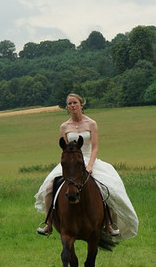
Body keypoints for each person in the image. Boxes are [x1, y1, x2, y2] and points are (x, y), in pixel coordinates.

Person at [35, 93, 138, 241]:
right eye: (69, 103)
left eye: (75, 103)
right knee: (49, 188)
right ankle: (48, 223)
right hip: (72, 164)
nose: (72, 106)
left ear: (81, 104)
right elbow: (65, 150)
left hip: (90, 160)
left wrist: (89, 166)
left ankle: (109, 224)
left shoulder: (91, 124)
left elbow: (95, 147)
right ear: (67, 107)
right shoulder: (64, 126)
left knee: (108, 187)